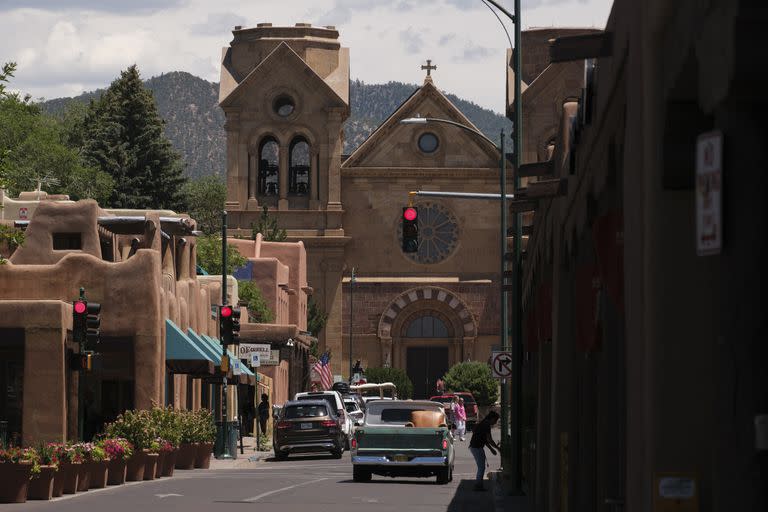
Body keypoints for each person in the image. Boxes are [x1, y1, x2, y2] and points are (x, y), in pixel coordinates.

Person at [469, 410, 500, 491]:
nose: (495, 422)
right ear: (492, 418)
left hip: (475, 446)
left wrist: (491, 449)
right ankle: (478, 485)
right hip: (476, 447)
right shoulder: (486, 425)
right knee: (481, 467)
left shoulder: (484, 423)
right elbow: (489, 440)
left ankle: (478, 485)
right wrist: (497, 448)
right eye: (495, 420)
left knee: (481, 467)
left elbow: (485, 439)